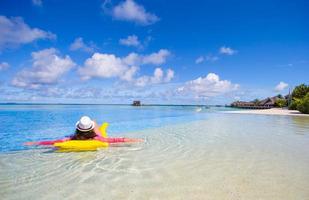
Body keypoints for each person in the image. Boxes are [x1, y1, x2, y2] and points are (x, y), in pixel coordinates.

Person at [25, 116, 143, 146]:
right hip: (94, 134)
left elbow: (53, 141)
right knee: (95, 122)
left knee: (93, 121)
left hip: (81, 135)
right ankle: (94, 122)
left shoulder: (71, 138)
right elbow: (118, 140)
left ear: (78, 128)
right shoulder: (98, 138)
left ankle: (93, 122)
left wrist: (35, 143)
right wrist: (137, 139)